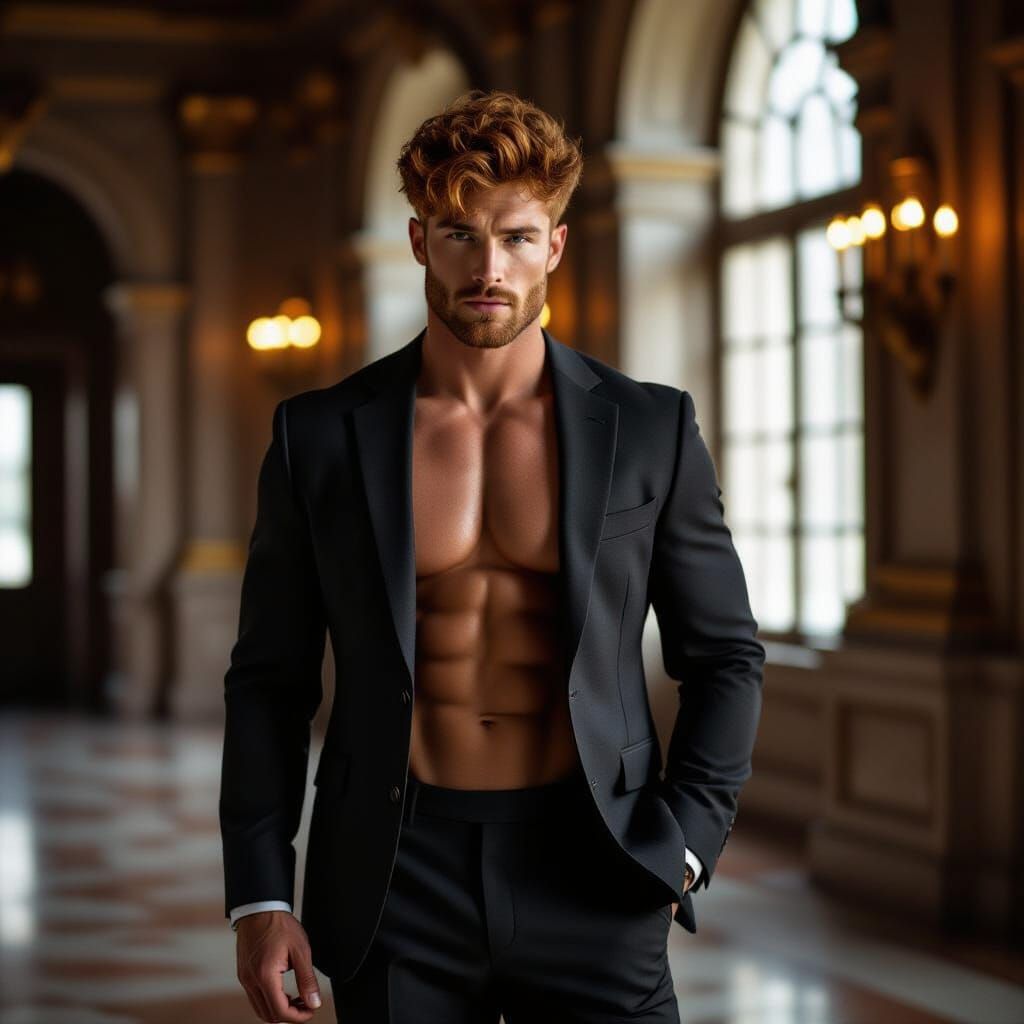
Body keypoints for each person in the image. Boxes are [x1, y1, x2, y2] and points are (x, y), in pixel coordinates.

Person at [220, 89, 764, 1024]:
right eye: (461, 234)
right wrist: (262, 897)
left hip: (594, 859)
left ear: (554, 245)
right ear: (419, 240)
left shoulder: (648, 427)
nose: (489, 267)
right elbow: (269, 680)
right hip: (399, 869)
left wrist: (683, 846)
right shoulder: (320, 436)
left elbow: (725, 655)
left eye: (515, 237)